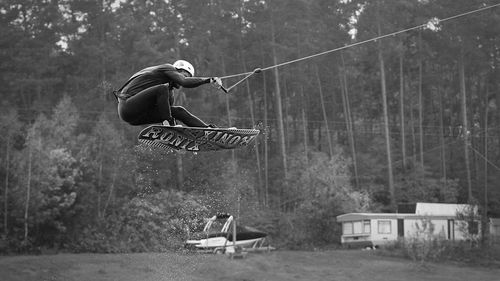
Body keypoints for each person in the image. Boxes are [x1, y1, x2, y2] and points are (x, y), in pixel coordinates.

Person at [115, 60, 222, 127]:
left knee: (178, 110)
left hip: (138, 117)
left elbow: (166, 112)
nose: (185, 78)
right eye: (184, 75)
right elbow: (184, 82)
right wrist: (208, 80)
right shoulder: (168, 68)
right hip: (127, 107)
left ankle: (206, 129)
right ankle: (169, 125)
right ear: (177, 70)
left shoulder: (169, 94)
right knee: (162, 89)